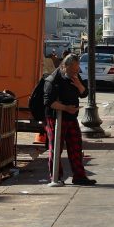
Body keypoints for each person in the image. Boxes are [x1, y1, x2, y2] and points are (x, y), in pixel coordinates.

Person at [43, 53, 96, 185]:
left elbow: (84, 93)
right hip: (56, 118)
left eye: (77, 69)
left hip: (71, 117)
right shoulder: (53, 80)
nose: (75, 72)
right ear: (64, 66)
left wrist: (78, 84)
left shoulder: (75, 77)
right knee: (56, 148)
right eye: (73, 69)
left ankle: (79, 176)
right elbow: (49, 102)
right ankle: (56, 176)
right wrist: (65, 108)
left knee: (76, 147)